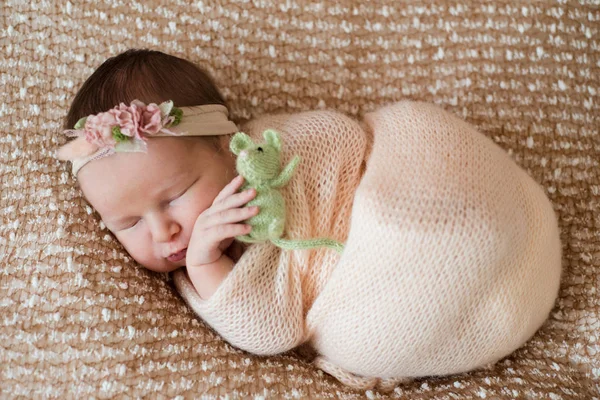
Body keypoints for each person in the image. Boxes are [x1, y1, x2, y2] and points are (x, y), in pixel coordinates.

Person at [56, 48, 563, 392]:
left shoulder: (267, 144)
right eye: (127, 223)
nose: (162, 230)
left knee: (418, 131)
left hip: (410, 179)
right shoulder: (201, 261)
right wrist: (207, 260)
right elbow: (271, 330)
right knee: (370, 335)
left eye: (176, 196)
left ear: (224, 144)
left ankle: (503, 238)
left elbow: (339, 137)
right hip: (378, 276)